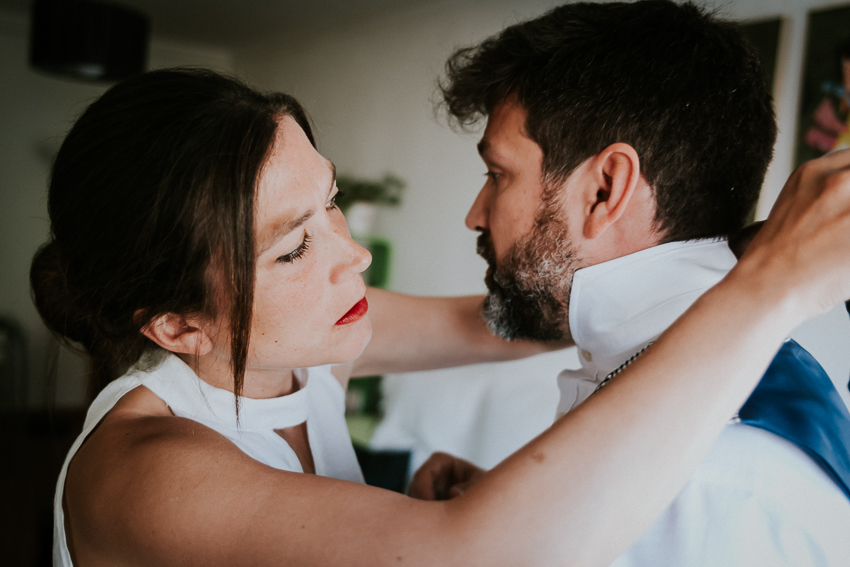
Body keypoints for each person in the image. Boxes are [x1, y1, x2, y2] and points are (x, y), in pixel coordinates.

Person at [31, 67, 850, 567]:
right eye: (292, 248)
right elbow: (466, 554)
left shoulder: (300, 343)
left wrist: (716, 251)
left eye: (332, 202)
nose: (350, 255)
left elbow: (503, 320)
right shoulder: (144, 473)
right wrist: (770, 285)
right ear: (175, 326)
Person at [409, 1, 850, 564]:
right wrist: (526, 518)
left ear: (604, 190)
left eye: (497, 174)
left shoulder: (711, 485)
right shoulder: (655, 376)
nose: (476, 213)